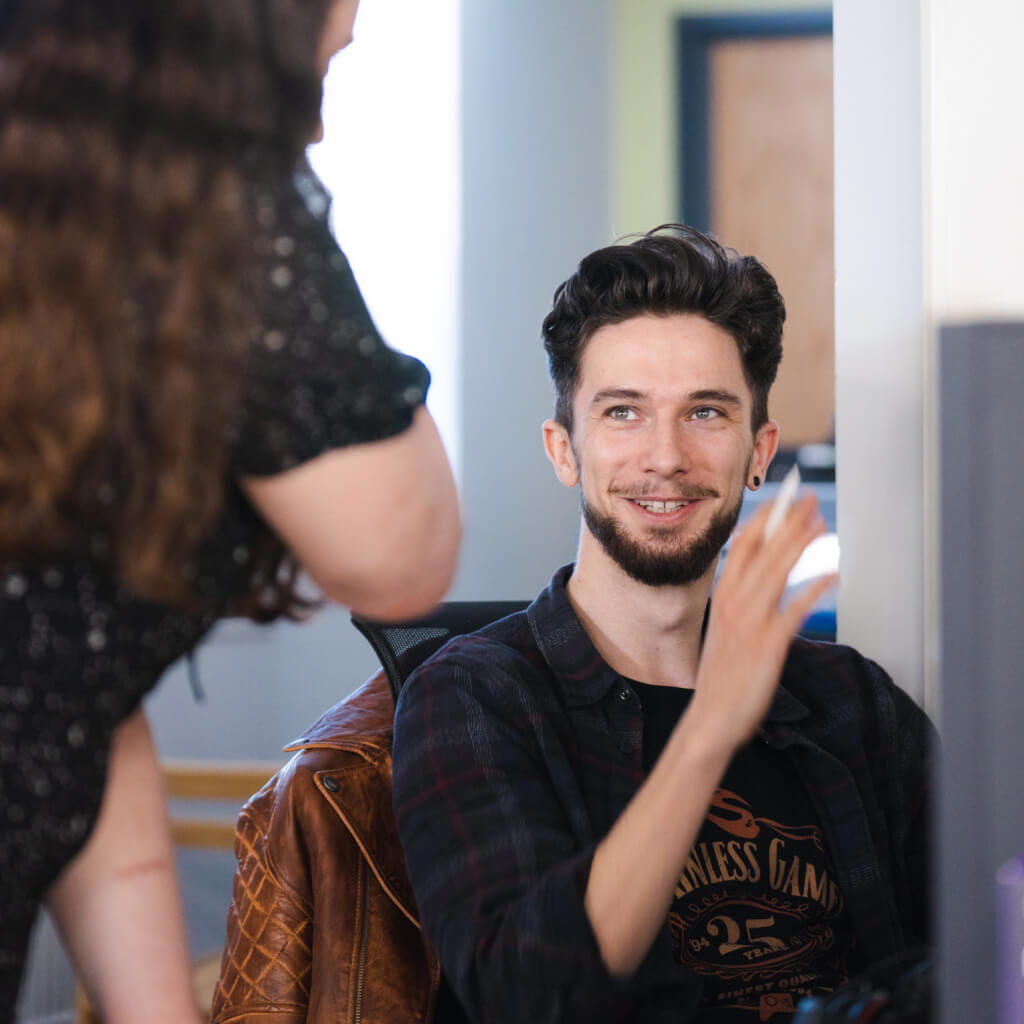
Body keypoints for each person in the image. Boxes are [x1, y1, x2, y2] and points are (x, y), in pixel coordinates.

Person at [0, 1, 459, 1020]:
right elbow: (407, 551)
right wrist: (288, 214)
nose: (318, 131)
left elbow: (70, 673)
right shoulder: (223, 227)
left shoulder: (62, 243)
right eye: (321, 79)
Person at [392, 227, 932, 1023]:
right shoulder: (474, 698)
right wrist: (711, 723)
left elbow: (983, 934)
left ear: (760, 450)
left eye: (706, 413)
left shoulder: (854, 700)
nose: (666, 457)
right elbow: (528, 996)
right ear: (565, 449)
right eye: (623, 413)